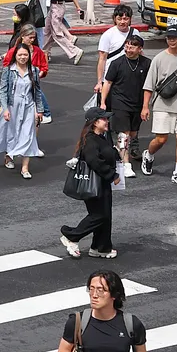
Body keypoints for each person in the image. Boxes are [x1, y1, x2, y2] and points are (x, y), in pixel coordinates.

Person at [140, 27, 177, 186]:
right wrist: (145, 107)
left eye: (174, 37)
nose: (171, 40)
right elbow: (149, 86)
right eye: (169, 37)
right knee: (161, 139)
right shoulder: (159, 59)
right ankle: (149, 154)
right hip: (162, 104)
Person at [60, 108, 123, 259]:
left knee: (105, 215)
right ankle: (71, 236)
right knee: (99, 215)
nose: (107, 121)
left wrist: (120, 148)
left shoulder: (102, 136)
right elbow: (95, 162)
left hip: (102, 183)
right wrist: (112, 175)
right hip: (94, 183)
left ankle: (100, 248)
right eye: (104, 119)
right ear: (95, 123)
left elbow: (109, 154)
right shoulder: (90, 140)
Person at [0, 44, 43, 177]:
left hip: (28, 106)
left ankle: (25, 168)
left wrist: (39, 110)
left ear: (29, 56)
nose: (23, 57)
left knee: (28, 134)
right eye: (20, 55)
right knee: (12, 133)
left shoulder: (34, 71)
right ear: (15, 55)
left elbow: (37, 91)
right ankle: (8, 156)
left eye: (25, 55)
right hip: (12, 105)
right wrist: (4, 109)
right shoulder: (9, 70)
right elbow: (3, 90)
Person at [100, 34, 150, 178]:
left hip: (138, 104)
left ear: (140, 49)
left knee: (133, 133)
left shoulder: (147, 64)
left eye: (132, 46)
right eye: (127, 46)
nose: (128, 49)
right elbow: (107, 83)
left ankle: (119, 150)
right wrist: (103, 102)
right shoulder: (117, 63)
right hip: (119, 102)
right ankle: (126, 164)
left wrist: (146, 106)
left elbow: (150, 85)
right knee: (124, 135)